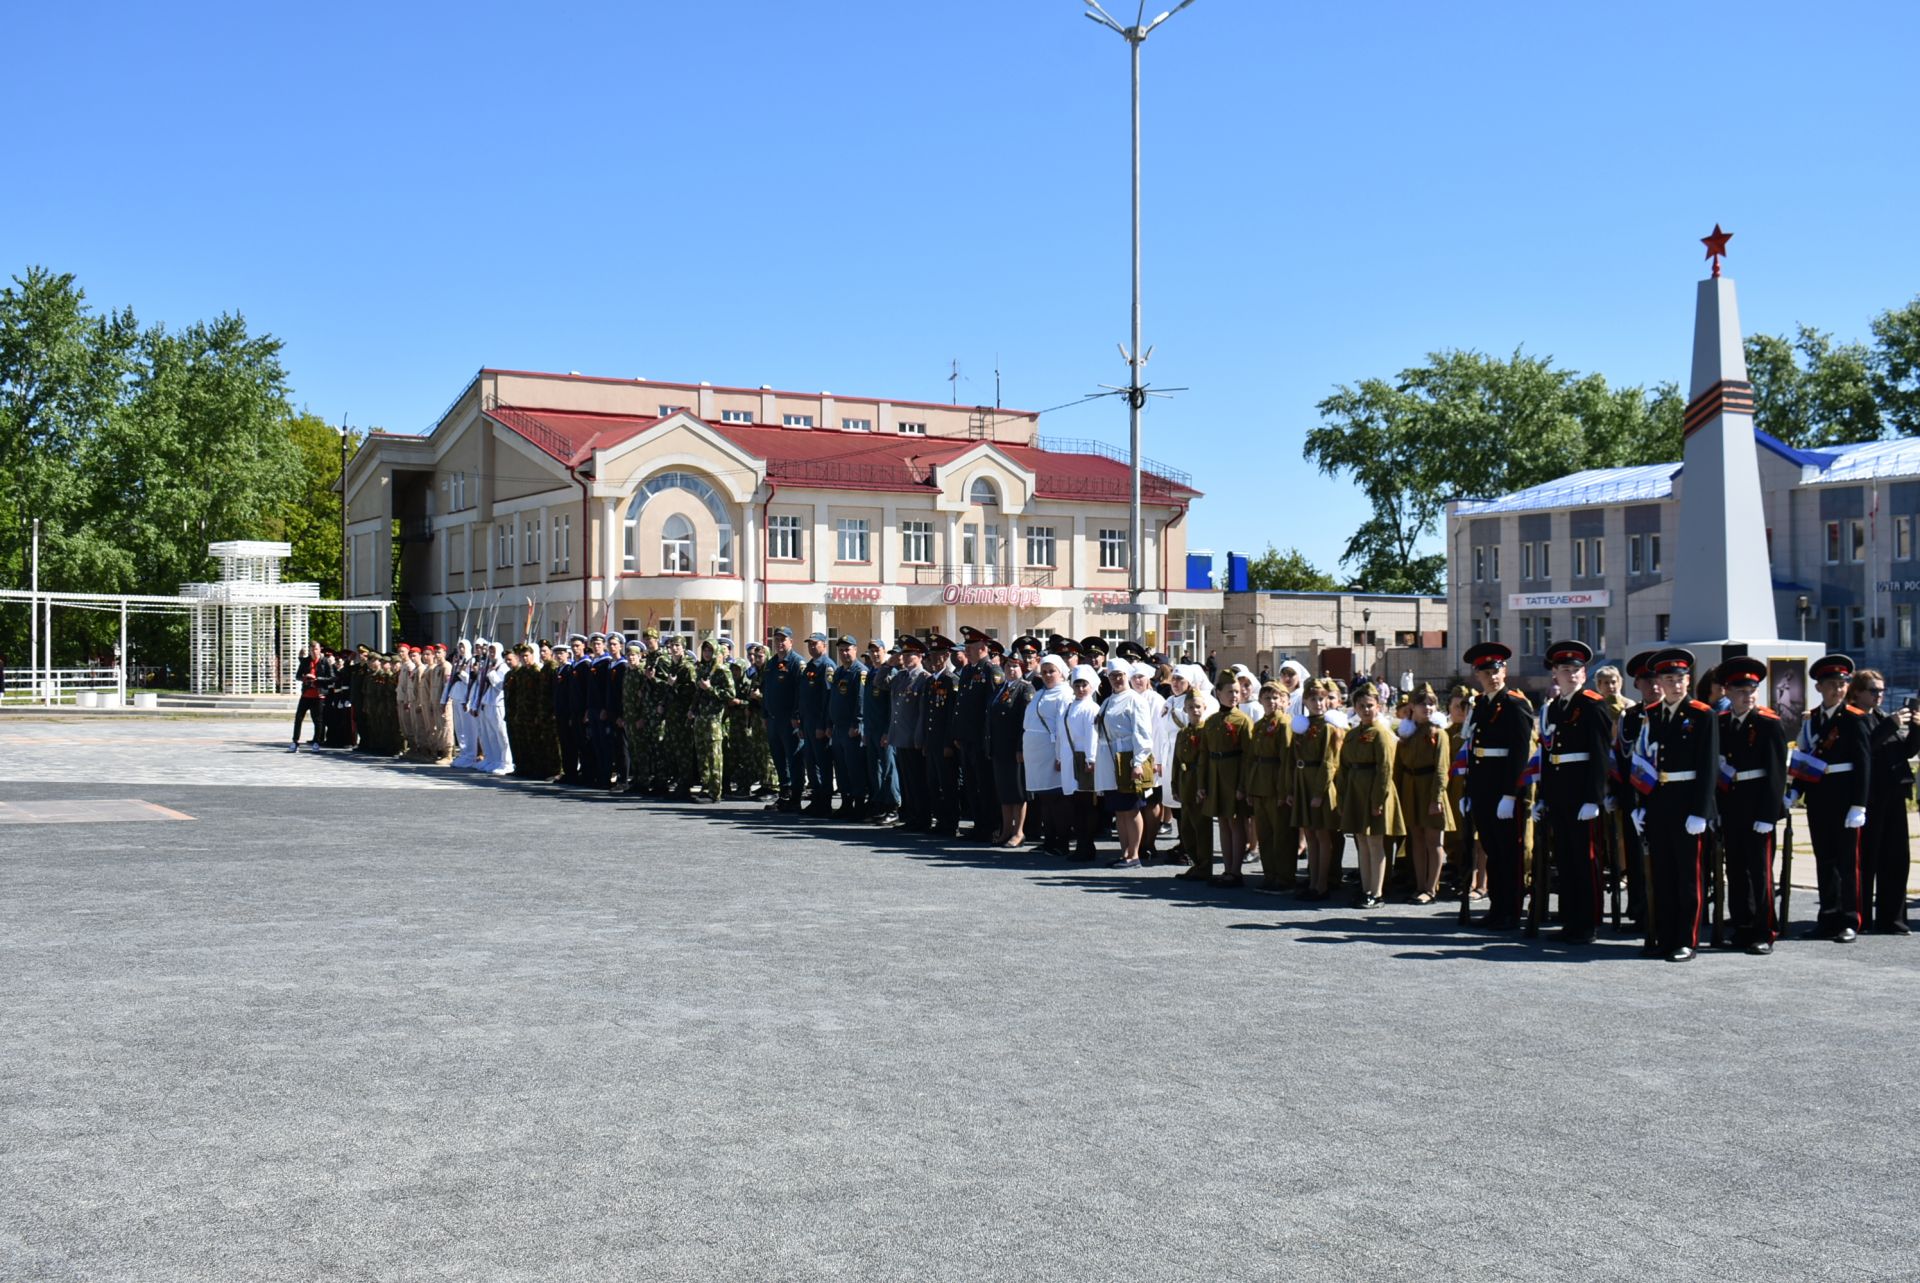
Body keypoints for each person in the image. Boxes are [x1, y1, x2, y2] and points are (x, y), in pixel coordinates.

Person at [1633, 647, 1716, 961]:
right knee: (1663, 875)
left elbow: (1708, 766)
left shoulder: (1701, 714)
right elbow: (1644, 761)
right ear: (1660, 682)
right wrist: (1642, 803)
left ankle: (1686, 940)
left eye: (1680, 678)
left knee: (1687, 877)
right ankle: (1664, 937)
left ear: (1688, 679)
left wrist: (1701, 811)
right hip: (1659, 802)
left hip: (1687, 802)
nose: (1675, 684)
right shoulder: (1652, 714)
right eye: (1668, 678)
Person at [1535, 640, 1616, 944]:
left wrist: (1593, 798)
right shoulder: (1556, 707)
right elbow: (1549, 754)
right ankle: (1571, 920)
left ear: (1585, 673)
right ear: (1555, 673)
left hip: (1582, 795)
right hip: (1560, 794)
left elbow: (1600, 754)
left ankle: (1588, 921)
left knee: (1586, 860)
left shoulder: (1592, 704)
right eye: (1565, 669)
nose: (1572, 675)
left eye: (1577, 670)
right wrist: (1544, 796)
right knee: (1566, 860)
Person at [1793, 654, 1870, 942]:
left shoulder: (1853, 718)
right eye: (1832, 685)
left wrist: (1859, 804)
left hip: (1844, 794)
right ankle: (1828, 916)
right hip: (1819, 795)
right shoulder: (1812, 720)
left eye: (1842, 684)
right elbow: (1804, 758)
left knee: (1847, 862)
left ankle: (1850, 919)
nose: (1838, 690)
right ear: (1819, 688)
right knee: (1824, 859)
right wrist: (1794, 790)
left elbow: (1864, 764)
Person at [1716, 658, 1788, 954]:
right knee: (1735, 869)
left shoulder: (1767, 723)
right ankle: (1742, 926)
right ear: (1727, 692)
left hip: (1758, 803)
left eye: (1752, 690)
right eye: (1741, 690)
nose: (1748, 695)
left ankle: (1764, 930)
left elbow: (1776, 773)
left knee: (1760, 871)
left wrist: (1768, 813)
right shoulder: (1721, 722)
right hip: (1731, 803)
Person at [1460, 643, 1534, 931]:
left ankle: (1511, 909)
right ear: (1477, 675)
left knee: (1508, 852)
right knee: (1491, 849)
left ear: (1505, 671)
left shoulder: (1515, 704)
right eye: (1487, 672)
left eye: (1497, 670)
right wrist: (1468, 792)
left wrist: (1510, 794)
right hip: (1482, 786)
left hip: (1504, 788)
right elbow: (1471, 747)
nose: (1493, 676)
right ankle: (1497, 907)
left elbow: (1519, 753)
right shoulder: (1479, 704)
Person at [1852, 668, 1918, 934]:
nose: (1879, 695)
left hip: (1893, 792)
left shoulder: (1880, 716)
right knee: (1868, 858)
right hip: (1869, 796)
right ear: (1856, 692)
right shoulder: (1855, 718)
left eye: (1881, 690)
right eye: (1873, 690)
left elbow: (1904, 750)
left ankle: (1893, 918)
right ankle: (1862, 918)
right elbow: (1864, 747)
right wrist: (1890, 724)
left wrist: (1915, 729)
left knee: (1896, 857)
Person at [1336, 682, 1403, 907]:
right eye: (1361, 705)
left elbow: (1385, 768)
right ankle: (1365, 888)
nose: (1366, 710)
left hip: (1374, 791)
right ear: (1354, 707)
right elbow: (1343, 767)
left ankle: (1377, 892)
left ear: (1379, 707)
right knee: (1362, 842)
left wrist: (1378, 800)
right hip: (1356, 790)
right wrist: (1343, 797)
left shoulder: (1381, 734)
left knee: (1375, 843)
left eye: (1370, 705)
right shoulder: (1353, 734)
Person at [1393, 682, 1453, 904]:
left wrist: (1436, 798)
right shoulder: (1407, 734)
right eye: (1422, 704)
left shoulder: (1439, 734)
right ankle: (1419, 884)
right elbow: (1399, 766)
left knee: (1433, 840)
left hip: (1430, 789)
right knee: (1415, 839)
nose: (1427, 708)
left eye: (1431, 704)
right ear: (1412, 707)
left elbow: (1441, 769)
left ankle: (1431, 888)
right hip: (1411, 788)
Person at [1096, 653, 1157, 869]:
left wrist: (1138, 761)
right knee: (1119, 810)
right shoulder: (1109, 701)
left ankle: (1134, 854)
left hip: (1128, 757)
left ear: (1127, 675)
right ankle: (1125, 852)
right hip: (1111, 759)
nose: (1116, 679)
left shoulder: (1135, 700)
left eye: (1120, 675)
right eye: (1112, 675)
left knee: (1131, 809)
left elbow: (1143, 733)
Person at [1198, 668, 1257, 886]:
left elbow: (1249, 757)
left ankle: (1236, 870)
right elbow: (1204, 754)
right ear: (1218, 693)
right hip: (1215, 775)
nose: (1234, 696)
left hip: (1233, 775)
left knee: (1236, 822)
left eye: (1237, 692)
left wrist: (1243, 785)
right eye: (1229, 692)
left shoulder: (1243, 720)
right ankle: (1226, 868)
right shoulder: (1211, 721)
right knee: (1222, 822)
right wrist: (1202, 783)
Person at [1291, 678, 1346, 899]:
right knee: (1311, 835)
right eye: (1313, 699)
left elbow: (1329, 762)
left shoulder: (1328, 728)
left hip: (1320, 787)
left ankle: (1322, 884)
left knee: (1323, 836)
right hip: (1304, 782)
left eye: (1322, 698)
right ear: (1305, 700)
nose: (1318, 703)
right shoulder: (1304, 726)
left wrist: (1318, 793)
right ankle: (1312, 880)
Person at [1246, 677, 1295, 892]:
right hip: (1260, 784)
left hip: (1276, 783)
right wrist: (1250, 787)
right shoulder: (1259, 725)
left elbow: (1287, 760)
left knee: (1282, 833)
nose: (1272, 702)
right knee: (1264, 833)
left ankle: (1284, 876)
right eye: (1267, 698)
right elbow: (1252, 759)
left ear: (1285, 701)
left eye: (1277, 697)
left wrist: (1285, 790)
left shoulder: (1285, 724)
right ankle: (1270, 873)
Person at [1171, 667, 1218, 881]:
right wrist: (1174, 786)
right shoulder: (1183, 733)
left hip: (1200, 784)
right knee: (1186, 827)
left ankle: (1205, 865)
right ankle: (1196, 862)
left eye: (1198, 707)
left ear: (1204, 707)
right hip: (1185, 782)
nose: (1195, 711)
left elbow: (1206, 761)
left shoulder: (1206, 731)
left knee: (1201, 827)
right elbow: (1176, 761)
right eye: (1190, 707)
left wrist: (1203, 786)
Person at [1022, 653, 1071, 855]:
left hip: (1052, 753)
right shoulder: (1041, 693)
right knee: (1045, 798)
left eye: (1052, 671)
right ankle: (1049, 838)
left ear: (1062, 673)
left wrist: (1060, 756)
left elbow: (1062, 728)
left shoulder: (1064, 694)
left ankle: (1062, 840)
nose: (1048, 675)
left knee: (1057, 799)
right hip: (1037, 754)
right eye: (1044, 671)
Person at [955, 627, 1000, 840]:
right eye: (966, 647)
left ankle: (990, 826)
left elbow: (991, 709)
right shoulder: (967, 670)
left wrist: (988, 738)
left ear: (983, 648)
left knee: (985, 785)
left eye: (970, 647)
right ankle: (978, 824)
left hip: (981, 740)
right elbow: (961, 706)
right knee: (971, 785)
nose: (967, 651)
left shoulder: (991, 671)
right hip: (967, 738)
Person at [988, 648, 1034, 848]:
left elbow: (1024, 721)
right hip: (999, 747)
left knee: (1018, 793)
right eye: (1008, 666)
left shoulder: (1025, 689)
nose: (1012, 670)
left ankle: (1018, 831)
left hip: (1016, 749)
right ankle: (1006, 830)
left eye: (1016, 666)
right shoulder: (1000, 688)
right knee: (1004, 792)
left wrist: (1021, 748)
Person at [1056, 663, 1102, 860]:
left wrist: (1091, 759)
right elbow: (1060, 734)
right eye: (1077, 685)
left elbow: (1093, 735)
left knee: (1086, 804)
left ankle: (1086, 844)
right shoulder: (1068, 706)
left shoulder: (1092, 708)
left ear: (1092, 686)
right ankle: (1081, 843)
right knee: (1074, 802)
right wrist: (1059, 756)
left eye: (1084, 685)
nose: (1081, 689)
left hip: (1084, 759)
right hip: (1069, 758)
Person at [760, 627, 805, 811]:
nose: (779, 643)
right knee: (778, 758)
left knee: (793, 758)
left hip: (789, 720)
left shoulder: (796, 662)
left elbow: (800, 693)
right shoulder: (771, 664)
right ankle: (784, 793)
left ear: (791, 642)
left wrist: (796, 716)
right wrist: (764, 714)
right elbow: (766, 691)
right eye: (776, 639)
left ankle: (795, 796)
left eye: (783, 639)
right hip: (773, 719)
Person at [888, 636, 931, 831]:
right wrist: (889, 664)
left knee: (917, 781)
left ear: (920, 656)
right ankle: (910, 815)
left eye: (909, 654)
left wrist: (919, 736)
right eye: (903, 654)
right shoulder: (901, 676)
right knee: (906, 780)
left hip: (913, 737)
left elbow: (922, 712)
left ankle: (921, 817)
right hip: (900, 735)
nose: (905, 658)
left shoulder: (924, 678)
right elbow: (881, 682)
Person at [921, 635, 962, 835]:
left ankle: (950, 822)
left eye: (938, 655)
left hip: (944, 743)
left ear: (946, 656)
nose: (933, 659)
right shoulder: (931, 681)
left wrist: (948, 743)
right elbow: (928, 714)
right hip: (932, 741)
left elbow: (952, 715)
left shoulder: (951, 681)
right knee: (933, 783)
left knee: (948, 784)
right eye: (931, 655)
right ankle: (940, 820)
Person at [827, 635, 869, 818]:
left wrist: (857, 723)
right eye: (841, 650)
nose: (844, 653)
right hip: (838, 727)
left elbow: (861, 700)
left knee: (854, 768)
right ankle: (846, 803)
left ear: (855, 650)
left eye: (847, 649)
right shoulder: (839, 672)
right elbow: (833, 699)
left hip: (851, 728)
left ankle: (859, 804)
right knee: (842, 768)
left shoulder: (859, 672)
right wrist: (829, 723)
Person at [862, 640, 900, 823]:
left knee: (889, 769)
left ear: (884, 652)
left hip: (885, 730)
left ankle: (892, 806)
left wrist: (887, 731)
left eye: (878, 651)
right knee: (875, 770)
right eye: (871, 651)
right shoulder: (871, 673)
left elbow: (891, 707)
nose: (874, 654)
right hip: (871, 729)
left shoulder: (890, 673)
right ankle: (878, 803)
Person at [798, 632, 836, 816]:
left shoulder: (827, 666)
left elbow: (827, 698)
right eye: (810, 644)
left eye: (815, 644)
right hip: (808, 722)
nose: (812, 647)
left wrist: (823, 725)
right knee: (811, 763)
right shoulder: (811, 665)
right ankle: (816, 799)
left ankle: (825, 801)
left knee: (822, 764)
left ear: (824, 646)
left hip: (818, 723)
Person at [291, 640, 331, 752]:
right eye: (312, 650)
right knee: (298, 718)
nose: (314, 652)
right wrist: (305, 677)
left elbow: (332, 677)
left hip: (318, 695)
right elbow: (298, 676)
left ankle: (317, 742)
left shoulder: (325, 661)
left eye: (316, 649)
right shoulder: (305, 662)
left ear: (320, 650)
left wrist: (318, 679)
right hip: (306, 694)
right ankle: (295, 741)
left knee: (318, 720)